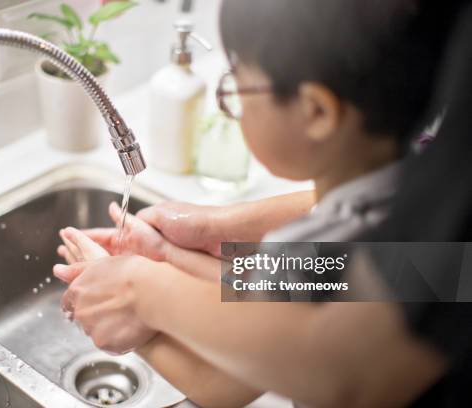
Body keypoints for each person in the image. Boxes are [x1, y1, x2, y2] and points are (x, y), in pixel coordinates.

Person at [52, 1, 468, 407]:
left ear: (317, 112)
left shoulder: (353, 233)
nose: (233, 105)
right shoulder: (394, 205)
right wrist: (165, 255)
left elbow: (226, 386)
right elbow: (285, 296)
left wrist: (133, 295)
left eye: (237, 85)